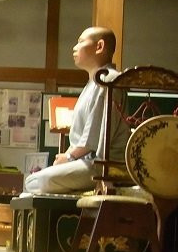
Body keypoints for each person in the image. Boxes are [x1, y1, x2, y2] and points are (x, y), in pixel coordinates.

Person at [24, 26, 130, 194]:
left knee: (38, 181)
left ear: (99, 46)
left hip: (104, 165)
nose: (74, 47)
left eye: (81, 42)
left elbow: (94, 134)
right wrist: (66, 157)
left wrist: (70, 157)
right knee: (32, 182)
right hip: (87, 161)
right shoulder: (94, 82)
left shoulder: (108, 79)